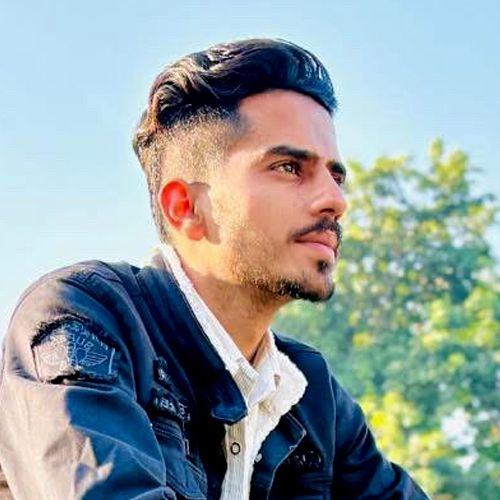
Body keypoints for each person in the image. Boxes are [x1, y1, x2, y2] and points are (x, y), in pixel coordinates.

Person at [0, 38, 428, 499]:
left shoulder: (311, 395)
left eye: (336, 176)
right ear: (185, 207)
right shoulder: (83, 319)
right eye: (289, 167)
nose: (335, 200)